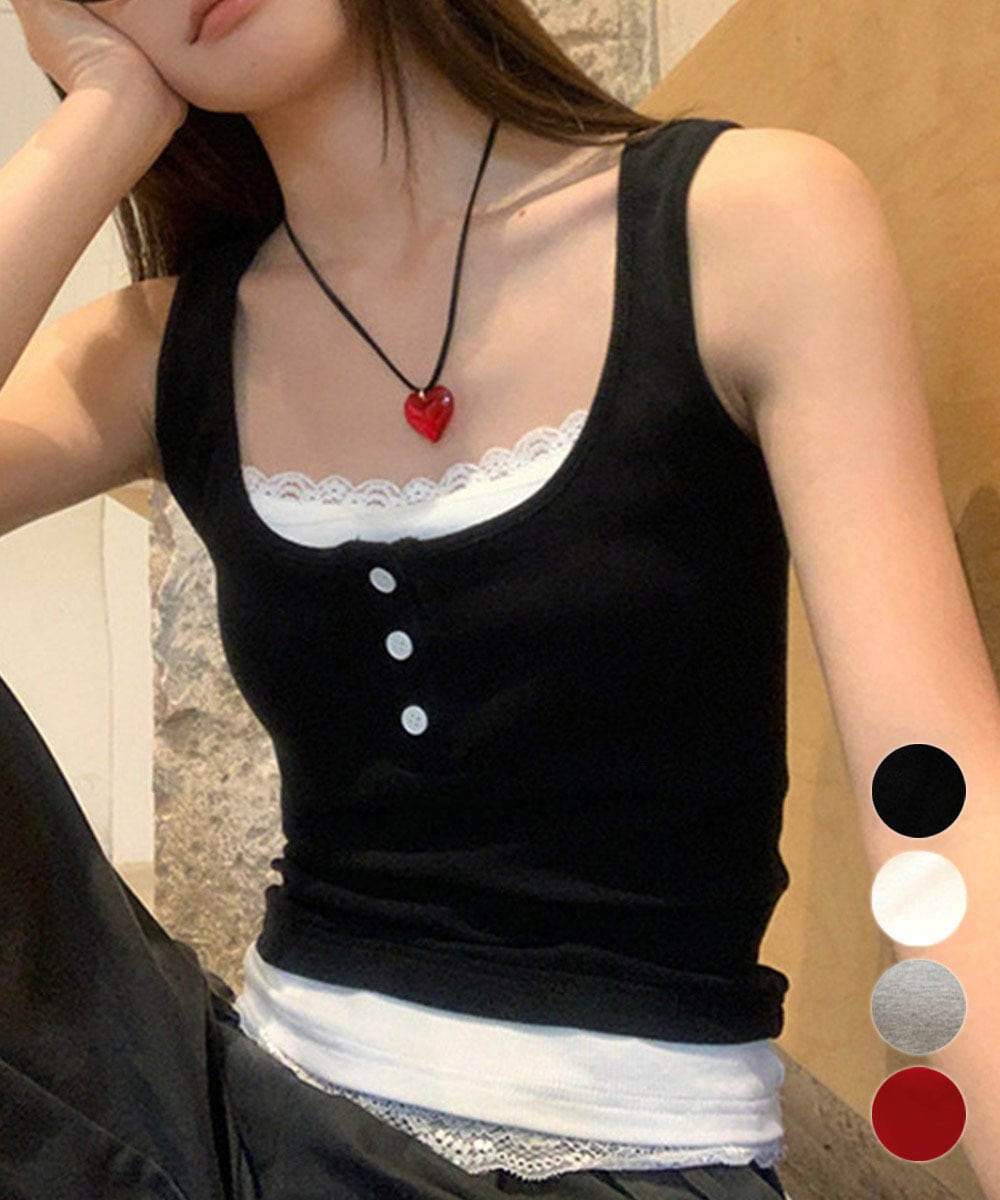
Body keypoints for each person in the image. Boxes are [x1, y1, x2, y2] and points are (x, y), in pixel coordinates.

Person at [1, 1, 998, 1198]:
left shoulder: (741, 221)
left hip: (632, 1155)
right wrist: (102, 122)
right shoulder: (164, 345)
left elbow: (937, 799)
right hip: (241, 1134)